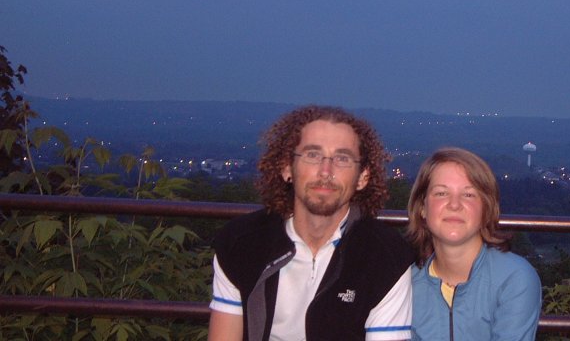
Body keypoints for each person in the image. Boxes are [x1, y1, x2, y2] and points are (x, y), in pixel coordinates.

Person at [208, 105, 415, 341]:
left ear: (362, 178)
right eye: (313, 155)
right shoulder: (241, 243)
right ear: (287, 168)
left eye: (342, 158)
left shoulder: (386, 257)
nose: (325, 171)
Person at [406, 147, 542, 340]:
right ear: (422, 208)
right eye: (441, 193)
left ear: (486, 209)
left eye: (468, 195)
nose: (454, 204)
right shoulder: (406, 284)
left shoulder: (514, 278)